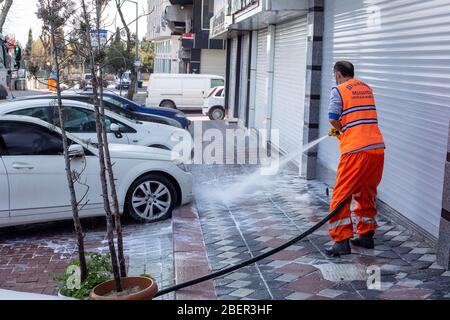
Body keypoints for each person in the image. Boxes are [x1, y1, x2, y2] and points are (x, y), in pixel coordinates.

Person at [325, 61, 386, 257]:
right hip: (376, 148)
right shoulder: (366, 88)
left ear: (337, 74)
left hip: (356, 150)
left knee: (341, 195)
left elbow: (333, 117)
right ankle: (366, 237)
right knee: (366, 193)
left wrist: (340, 129)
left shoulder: (339, 90)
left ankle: (341, 241)